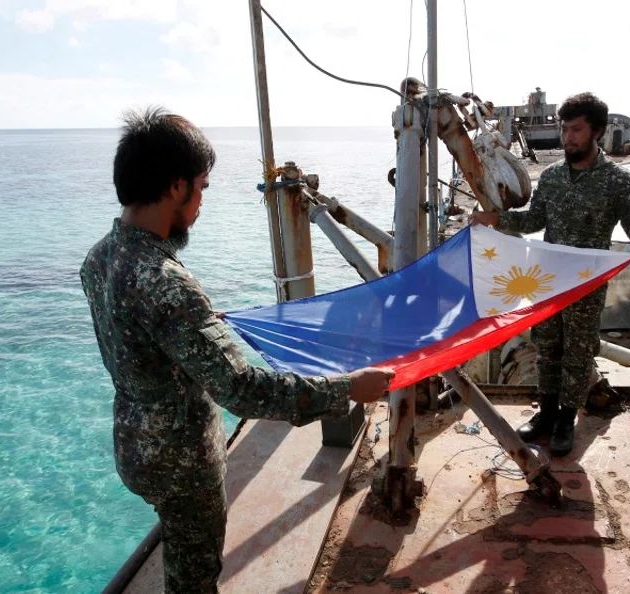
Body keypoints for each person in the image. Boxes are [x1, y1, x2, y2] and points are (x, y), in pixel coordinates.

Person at [79, 106, 394, 593]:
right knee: (194, 578)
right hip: (182, 464)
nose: (202, 203)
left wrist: (198, 330)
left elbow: (140, 339)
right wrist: (347, 388)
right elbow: (242, 390)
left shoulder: (98, 259)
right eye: (201, 188)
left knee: (181, 559)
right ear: (176, 187)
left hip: (135, 446)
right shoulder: (167, 285)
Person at [469, 92, 630, 457]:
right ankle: (545, 413)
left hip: (586, 285)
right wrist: (495, 220)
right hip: (549, 281)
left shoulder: (616, 181)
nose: (567, 137)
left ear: (597, 132)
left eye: (576, 130)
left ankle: (565, 420)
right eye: (564, 129)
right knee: (547, 349)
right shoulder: (553, 177)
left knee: (578, 352)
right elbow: (534, 220)